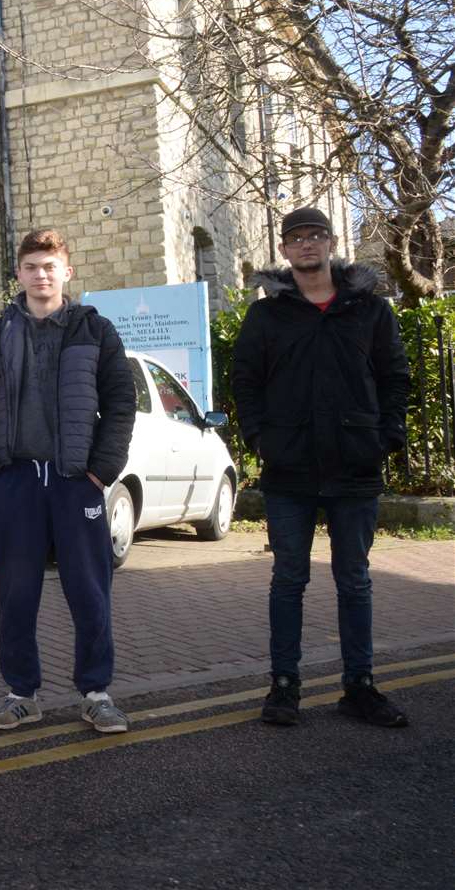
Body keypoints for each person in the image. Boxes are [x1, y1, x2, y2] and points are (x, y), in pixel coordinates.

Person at [232, 207, 411, 728]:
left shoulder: (369, 311)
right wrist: (261, 439)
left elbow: (394, 377)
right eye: (296, 239)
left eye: (315, 236)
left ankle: (360, 686)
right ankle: (284, 686)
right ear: (284, 251)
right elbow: (247, 381)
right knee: (288, 579)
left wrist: (386, 437)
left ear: (331, 244)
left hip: (355, 466)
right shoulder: (267, 316)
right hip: (290, 470)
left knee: (354, 580)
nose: (306, 245)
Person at [0, 228, 136, 734]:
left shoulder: (95, 330)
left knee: (90, 590)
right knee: (15, 592)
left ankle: (97, 693)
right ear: (18, 273)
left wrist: (101, 472)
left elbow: (121, 404)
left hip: (76, 481)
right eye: (32, 266)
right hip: (15, 480)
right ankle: (21, 694)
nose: (41, 275)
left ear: (67, 272)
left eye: (50, 266)